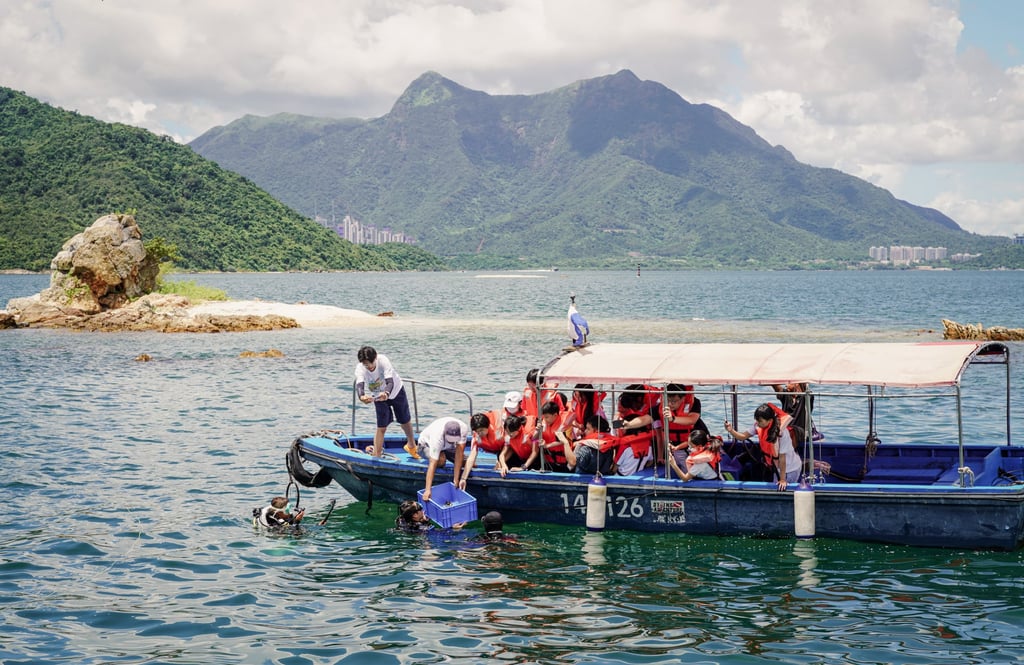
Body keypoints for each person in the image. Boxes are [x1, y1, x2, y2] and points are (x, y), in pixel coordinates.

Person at [354, 346, 418, 458]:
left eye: (370, 363)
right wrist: (362, 396)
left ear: (375, 358)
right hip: (377, 396)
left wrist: (386, 394)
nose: (369, 367)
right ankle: (377, 454)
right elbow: (360, 384)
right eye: (365, 364)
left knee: (404, 420)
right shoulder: (360, 368)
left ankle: (411, 446)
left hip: (395, 391)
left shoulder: (383, 361)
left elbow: (390, 382)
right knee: (381, 426)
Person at [724, 403, 802, 490]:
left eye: (760, 421)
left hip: (790, 468)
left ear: (770, 420)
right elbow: (742, 436)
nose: (758, 423)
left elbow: (782, 458)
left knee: (783, 490)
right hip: (776, 468)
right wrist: (731, 430)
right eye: (756, 420)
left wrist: (783, 479)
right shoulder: (758, 426)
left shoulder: (782, 433)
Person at [417, 417, 472, 503]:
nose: (452, 442)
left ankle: (444, 452)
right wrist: (428, 490)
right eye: (450, 440)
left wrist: (456, 479)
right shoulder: (437, 436)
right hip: (426, 445)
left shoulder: (463, 429)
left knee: (468, 463)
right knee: (441, 460)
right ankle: (436, 453)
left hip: (448, 448)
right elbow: (432, 464)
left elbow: (459, 453)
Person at [613, 384, 661, 475]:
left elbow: (659, 433)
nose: (633, 408)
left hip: (647, 436)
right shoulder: (625, 402)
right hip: (630, 437)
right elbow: (617, 418)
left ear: (639, 399)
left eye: (633, 406)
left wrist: (659, 456)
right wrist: (618, 427)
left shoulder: (653, 403)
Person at [663, 384, 710, 454]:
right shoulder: (660, 407)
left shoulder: (694, 403)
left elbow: (692, 420)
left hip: (694, 442)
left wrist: (672, 419)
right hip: (674, 445)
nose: (670, 404)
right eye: (668, 400)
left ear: (683, 398)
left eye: (673, 401)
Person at [537, 400, 571, 471]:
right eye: (544, 417)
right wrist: (537, 431)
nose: (545, 420)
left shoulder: (563, 424)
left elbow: (563, 441)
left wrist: (547, 445)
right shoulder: (543, 423)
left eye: (547, 417)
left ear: (555, 415)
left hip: (563, 462)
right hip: (548, 461)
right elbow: (533, 440)